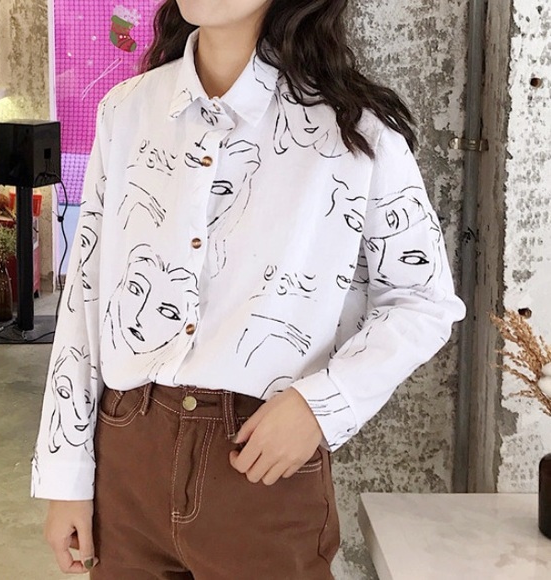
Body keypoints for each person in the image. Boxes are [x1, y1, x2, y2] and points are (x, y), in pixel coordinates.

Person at [32, 1, 466, 578]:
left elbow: (422, 300)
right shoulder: (127, 110)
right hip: (128, 457)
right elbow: (85, 297)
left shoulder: (356, 131)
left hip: (259, 464)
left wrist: (320, 406)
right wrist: (66, 477)